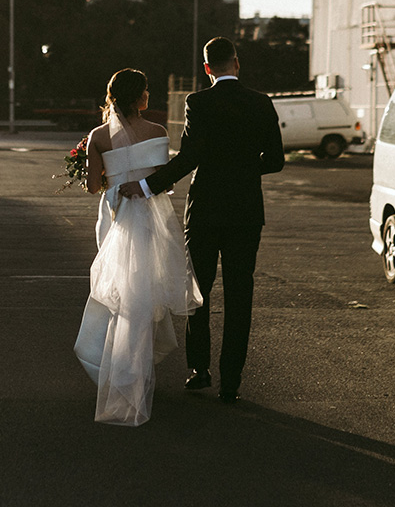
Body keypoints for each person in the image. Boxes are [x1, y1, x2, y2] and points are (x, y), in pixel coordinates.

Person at [119, 37, 283, 403]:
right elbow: (275, 161)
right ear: (236, 64)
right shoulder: (260, 103)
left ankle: (199, 370)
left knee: (198, 292)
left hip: (206, 209)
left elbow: (188, 158)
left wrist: (146, 186)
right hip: (245, 212)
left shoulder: (198, 102)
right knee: (241, 295)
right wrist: (243, 169)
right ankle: (232, 380)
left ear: (207, 68)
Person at [73, 68, 201, 426]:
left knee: (121, 294)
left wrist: (93, 169)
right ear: (137, 96)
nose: (149, 96)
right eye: (146, 90)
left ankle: (120, 373)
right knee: (145, 293)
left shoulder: (98, 136)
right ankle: (137, 371)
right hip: (152, 218)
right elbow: (162, 181)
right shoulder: (157, 132)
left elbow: (94, 187)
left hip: (116, 218)